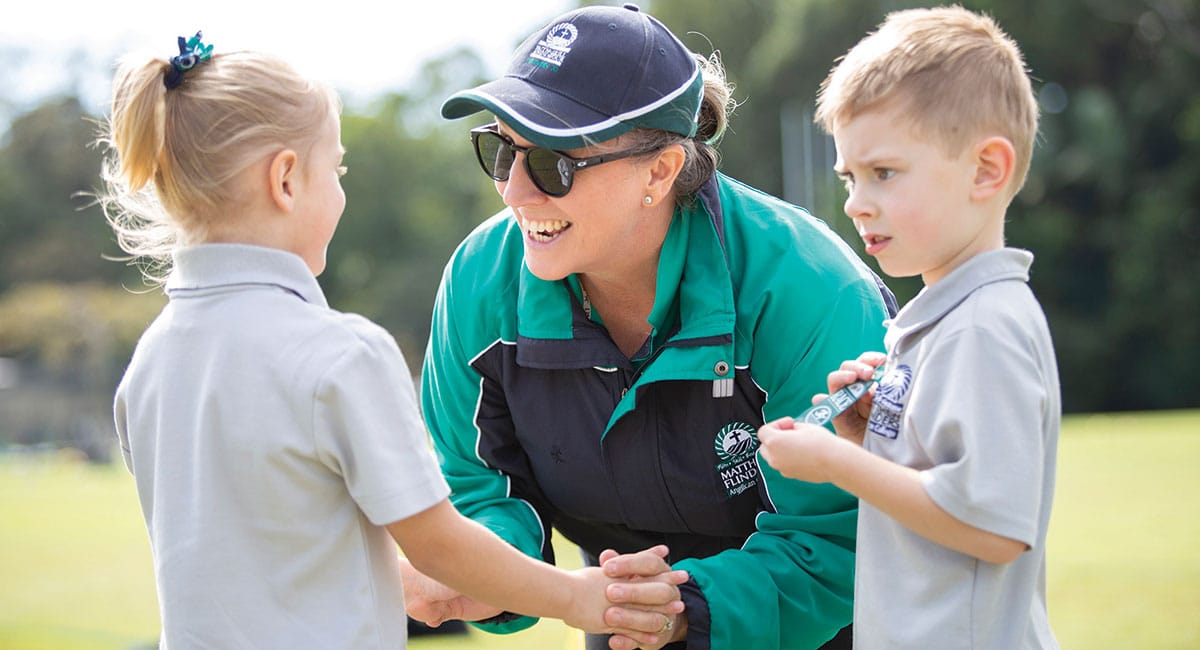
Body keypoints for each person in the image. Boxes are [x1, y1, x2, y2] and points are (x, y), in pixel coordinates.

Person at [99, 31, 687, 649]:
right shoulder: (340, 357)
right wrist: (578, 596)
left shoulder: (149, 364)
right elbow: (440, 545)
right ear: (287, 180)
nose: (340, 189)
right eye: (338, 169)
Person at [409, 5, 897, 649]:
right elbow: (476, 486)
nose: (515, 191)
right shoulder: (479, 279)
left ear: (661, 170)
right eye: (501, 151)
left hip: (830, 628)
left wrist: (683, 609)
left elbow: (836, 541)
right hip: (625, 620)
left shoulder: (810, 290)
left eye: (554, 163)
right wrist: (490, 572)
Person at [757, 6, 1060, 649]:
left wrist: (839, 464)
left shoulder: (984, 327)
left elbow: (994, 527)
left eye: (884, 173)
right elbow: (937, 488)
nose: (855, 202)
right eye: (850, 177)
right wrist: (870, 439)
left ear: (986, 170)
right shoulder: (942, 318)